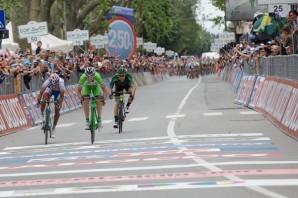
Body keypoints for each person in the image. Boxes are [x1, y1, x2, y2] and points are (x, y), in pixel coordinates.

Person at [37, 73, 65, 138]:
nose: (54, 85)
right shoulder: (47, 82)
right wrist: (38, 101)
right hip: (50, 90)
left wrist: (59, 104)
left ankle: (53, 129)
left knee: (57, 110)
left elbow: (62, 96)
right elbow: (40, 93)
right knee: (44, 99)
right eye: (53, 83)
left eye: (55, 83)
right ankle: (42, 116)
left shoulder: (61, 82)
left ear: (58, 81)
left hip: (58, 93)